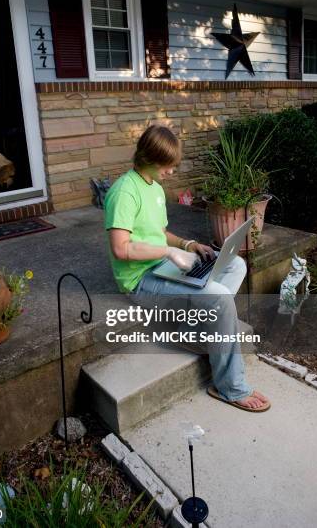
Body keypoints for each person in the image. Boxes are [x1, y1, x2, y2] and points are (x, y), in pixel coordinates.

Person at [104, 124, 270, 412]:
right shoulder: (124, 192)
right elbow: (122, 248)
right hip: (141, 279)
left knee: (235, 266)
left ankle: (189, 331)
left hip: (166, 264)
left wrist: (187, 244)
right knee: (218, 297)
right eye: (167, 166)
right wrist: (168, 252)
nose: (171, 172)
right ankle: (230, 387)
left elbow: (159, 232)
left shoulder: (154, 188)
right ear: (149, 159)